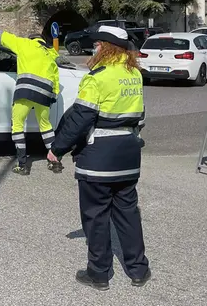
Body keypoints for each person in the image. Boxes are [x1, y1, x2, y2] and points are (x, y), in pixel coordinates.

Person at [47, 26, 150, 291]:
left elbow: (80, 119)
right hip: (128, 155)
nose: (94, 49)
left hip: (99, 158)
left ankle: (99, 273)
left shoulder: (97, 78)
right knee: (128, 213)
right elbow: (140, 116)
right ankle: (139, 270)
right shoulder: (134, 74)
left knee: (96, 216)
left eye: (98, 45)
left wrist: (57, 149)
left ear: (105, 47)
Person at [0, 24, 61, 175]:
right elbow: (55, 77)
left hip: (25, 91)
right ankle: (54, 161)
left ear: (31, 39)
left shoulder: (24, 44)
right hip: (44, 94)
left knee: (18, 125)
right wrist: (53, 96)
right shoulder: (50, 52)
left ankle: (22, 164)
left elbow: (2, 36)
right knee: (45, 125)